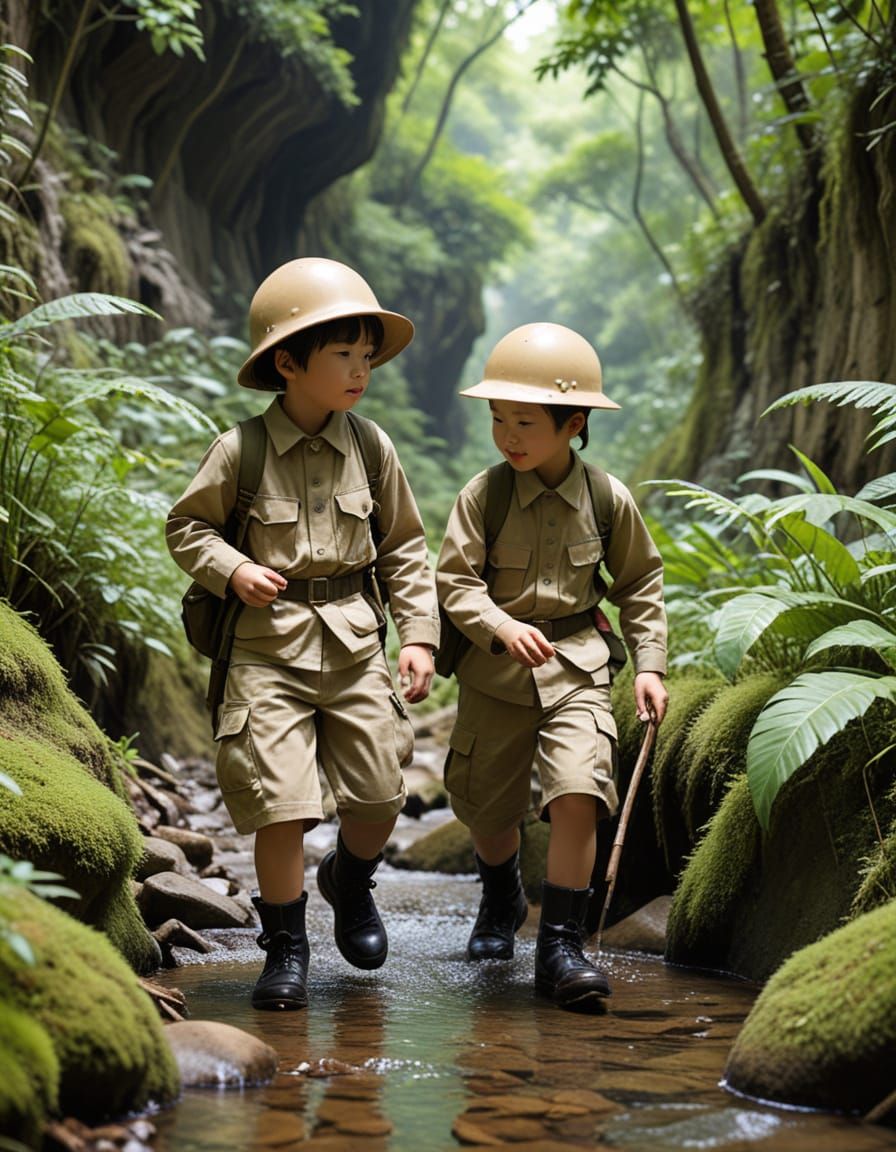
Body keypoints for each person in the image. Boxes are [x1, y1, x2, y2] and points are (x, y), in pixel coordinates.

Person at [167, 257, 439, 1011]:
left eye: (366, 358)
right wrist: (232, 569)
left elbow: (406, 548)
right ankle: (285, 947)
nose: (360, 372)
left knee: (382, 794)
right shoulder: (241, 451)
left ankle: (350, 880)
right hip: (265, 650)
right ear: (287, 363)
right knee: (280, 804)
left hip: (356, 646)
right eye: (342, 357)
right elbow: (187, 526)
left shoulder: (372, 448)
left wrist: (417, 636)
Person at [435, 321, 668, 1012]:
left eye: (526, 422)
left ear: (574, 424)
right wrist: (501, 626)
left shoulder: (606, 500)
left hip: (579, 668)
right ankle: (501, 893)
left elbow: (641, 586)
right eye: (498, 418)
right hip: (494, 674)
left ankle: (562, 946)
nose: (508, 435)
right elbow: (454, 582)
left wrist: (650, 666)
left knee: (579, 792)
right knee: (487, 808)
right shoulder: (485, 496)